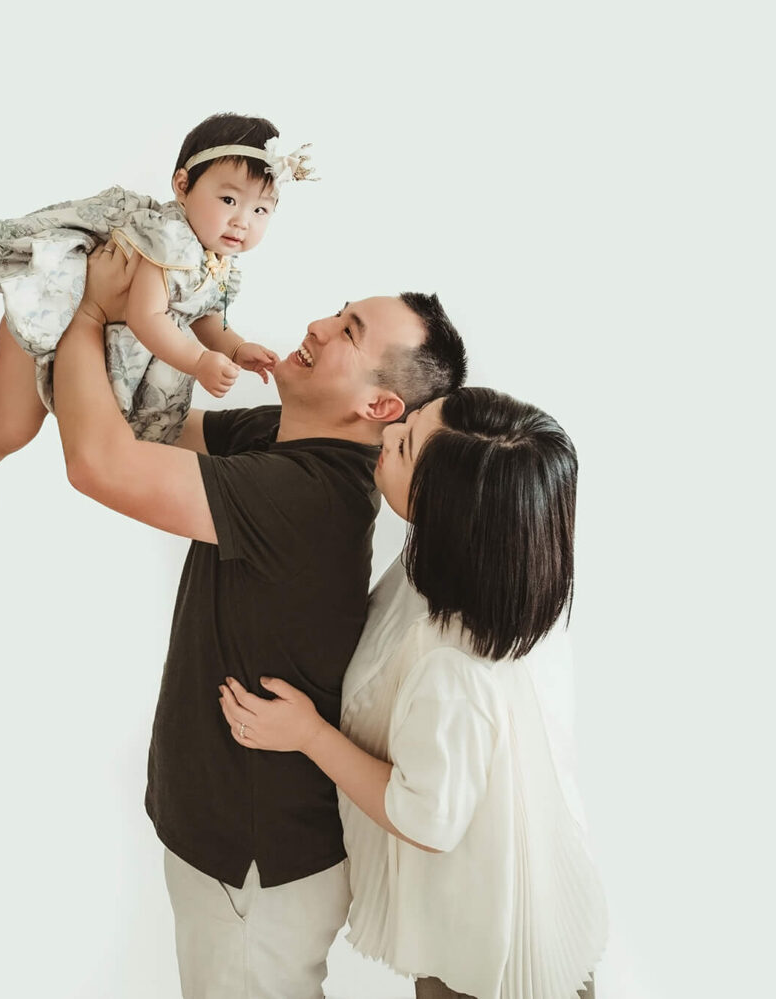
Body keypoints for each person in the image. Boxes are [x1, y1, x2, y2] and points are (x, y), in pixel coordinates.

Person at [55, 239, 468, 999]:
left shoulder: (310, 495)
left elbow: (100, 462)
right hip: (229, 841)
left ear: (380, 406)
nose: (317, 324)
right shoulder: (288, 435)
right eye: (341, 312)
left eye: (348, 333)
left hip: (254, 866)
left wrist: (84, 311)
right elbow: (141, 428)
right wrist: (144, 316)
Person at [218, 388, 610, 999]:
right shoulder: (506, 581)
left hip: (496, 964)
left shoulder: (453, 664)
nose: (389, 434)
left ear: (447, 511)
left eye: (404, 444)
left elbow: (427, 816)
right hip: (516, 910)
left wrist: (309, 736)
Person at [0, 112, 317, 550]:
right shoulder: (168, 240)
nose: (242, 222)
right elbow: (146, 317)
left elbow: (206, 317)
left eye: (260, 209)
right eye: (229, 200)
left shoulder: (217, 261)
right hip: (55, 321)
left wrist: (235, 348)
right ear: (183, 185)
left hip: (83, 350)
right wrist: (198, 361)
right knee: (16, 423)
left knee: (16, 393)